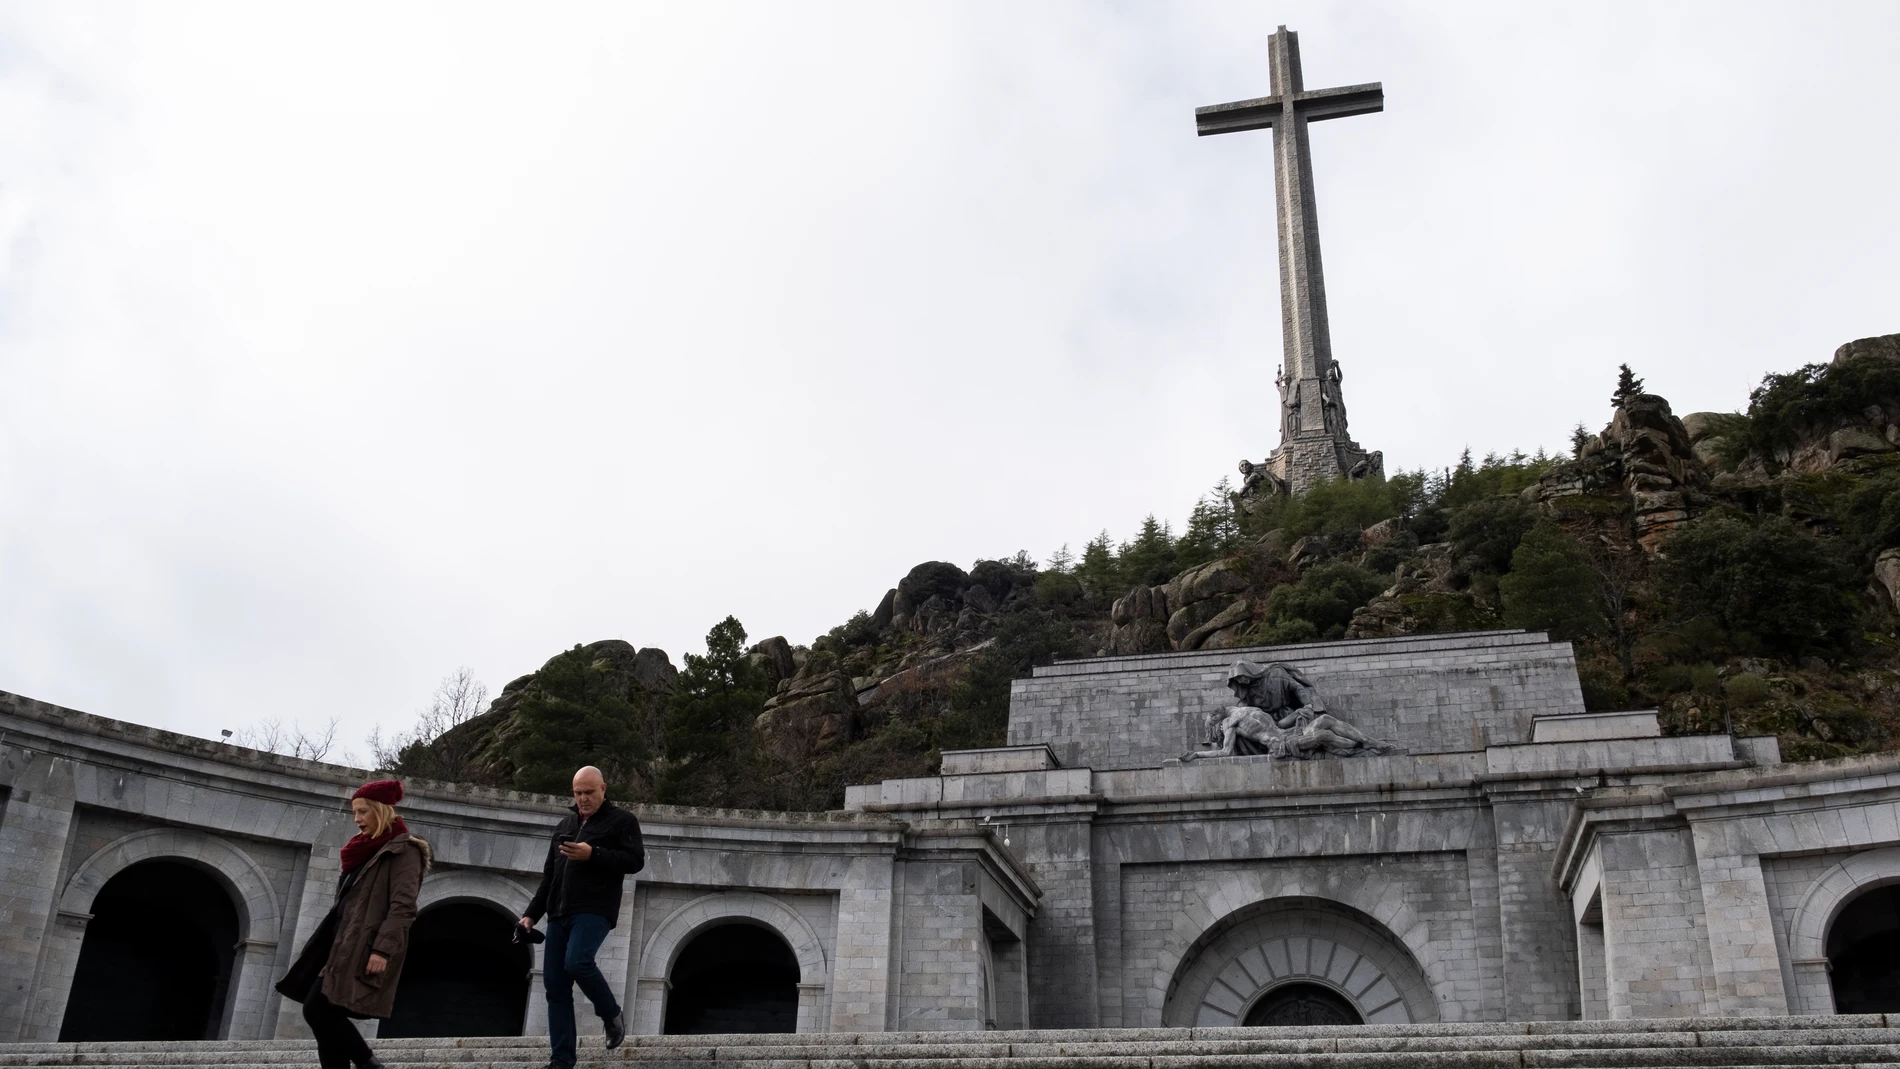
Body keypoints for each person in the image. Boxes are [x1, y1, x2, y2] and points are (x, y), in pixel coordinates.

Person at [277, 780, 431, 1069]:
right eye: (355, 813)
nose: (357, 820)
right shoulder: (361, 850)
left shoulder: (404, 851)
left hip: (364, 947)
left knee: (317, 1009)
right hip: (339, 944)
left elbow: (403, 907)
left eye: (363, 812)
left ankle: (371, 1065)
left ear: (380, 811)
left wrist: (382, 950)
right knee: (325, 1020)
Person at [521, 766, 645, 1069]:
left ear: (603, 789)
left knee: (577, 961)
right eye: (578, 793)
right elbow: (549, 876)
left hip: (594, 909)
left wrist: (594, 854)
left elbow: (635, 861)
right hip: (559, 912)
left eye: (589, 792)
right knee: (554, 985)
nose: (583, 798)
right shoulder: (565, 824)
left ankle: (611, 1014)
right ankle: (561, 1060)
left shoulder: (622, 821)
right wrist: (530, 916)